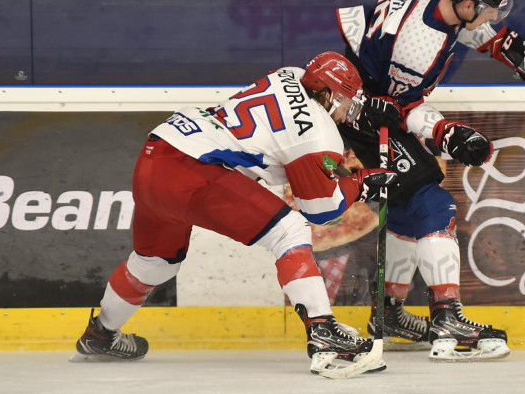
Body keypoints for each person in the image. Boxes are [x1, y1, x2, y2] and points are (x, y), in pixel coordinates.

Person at [71, 52, 397, 375]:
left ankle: (100, 334)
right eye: (345, 103)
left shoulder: (289, 73)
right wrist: (360, 183)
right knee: (290, 231)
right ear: (327, 94)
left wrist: (343, 171)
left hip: (157, 152)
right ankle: (323, 332)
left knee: (154, 263)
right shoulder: (318, 132)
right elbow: (321, 209)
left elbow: (288, 142)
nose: (346, 114)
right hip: (194, 169)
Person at [336, 0, 525, 360]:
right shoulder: (417, 51)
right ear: (467, 4)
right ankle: (447, 316)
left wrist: (496, 42)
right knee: (431, 201)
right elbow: (401, 110)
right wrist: (445, 133)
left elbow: (456, 20)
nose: (493, 14)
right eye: (489, 9)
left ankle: (388, 315)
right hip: (363, 106)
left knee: (404, 204)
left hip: (359, 73)